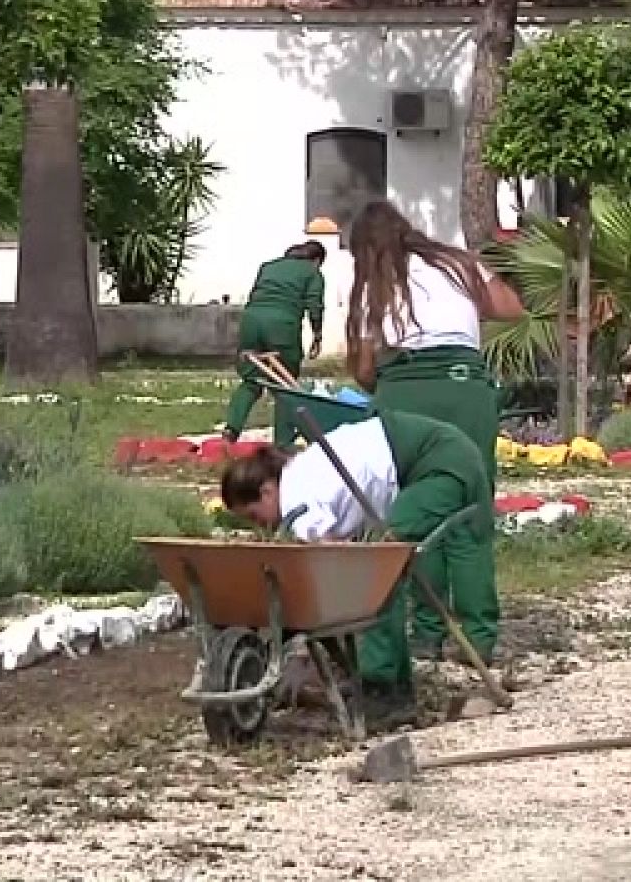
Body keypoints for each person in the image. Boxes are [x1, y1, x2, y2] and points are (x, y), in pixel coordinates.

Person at [220, 410, 495, 728]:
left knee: (378, 569)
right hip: (438, 453)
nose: (263, 525)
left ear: (267, 490)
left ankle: (384, 687)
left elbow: (322, 545)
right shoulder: (305, 472)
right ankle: (396, 688)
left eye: (256, 516)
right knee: (384, 562)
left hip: (440, 464)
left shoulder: (296, 493)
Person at [346, 200, 525, 663]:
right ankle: (479, 638)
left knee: (416, 508)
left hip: (403, 396)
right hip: (464, 389)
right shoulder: (456, 264)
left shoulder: (374, 288)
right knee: (469, 510)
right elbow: (511, 307)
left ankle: (427, 631)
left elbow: (364, 369)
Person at [223, 241, 328, 446]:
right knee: (285, 385)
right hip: (282, 326)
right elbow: (315, 305)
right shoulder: (312, 272)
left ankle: (230, 430)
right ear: (317, 260)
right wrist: (317, 335)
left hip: (251, 322)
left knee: (251, 380)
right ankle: (283, 442)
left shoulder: (268, 266)